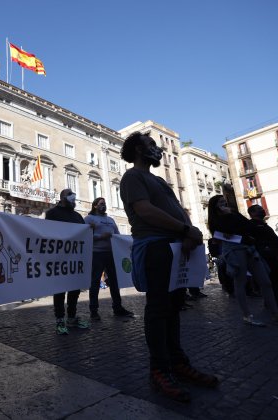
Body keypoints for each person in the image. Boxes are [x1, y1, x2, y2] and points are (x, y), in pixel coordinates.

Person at [120, 132, 218, 403]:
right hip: (155, 247)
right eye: (152, 145)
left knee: (175, 306)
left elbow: (175, 209)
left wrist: (188, 232)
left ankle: (177, 362)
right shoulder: (132, 177)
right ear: (139, 149)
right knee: (159, 307)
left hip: (176, 246)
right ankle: (159, 369)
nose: (158, 150)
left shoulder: (160, 180)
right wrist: (185, 228)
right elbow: (144, 210)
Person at [207, 195, 278, 327]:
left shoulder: (233, 213)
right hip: (235, 250)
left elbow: (248, 226)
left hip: (249, 248)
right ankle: (247, 316)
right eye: (220, 202)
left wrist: (232, 215)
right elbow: (229, 231)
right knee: (240, 282)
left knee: (266, 282)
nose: (224, 203)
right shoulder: (216, 220)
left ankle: (276, 316)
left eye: (225, 201)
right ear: (215, 205)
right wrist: (229, 217)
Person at [46, 188, 90, 335]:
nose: (73, 196)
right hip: (59, 259)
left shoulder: (78, 216)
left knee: (74, 290)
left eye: (74, 194)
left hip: (75, 260)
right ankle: (59, 320)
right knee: (59, 290)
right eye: (70, 194)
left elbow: (84, 234)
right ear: (63, 197)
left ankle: (71, 317)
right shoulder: (52, 213)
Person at [84, 197, 134, 320]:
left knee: (115, 282)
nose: (104, 205)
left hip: (112, 254)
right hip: (96, 254)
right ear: (95, 206)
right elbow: (85, 235)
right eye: (101, 204)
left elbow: (117, 235)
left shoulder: (111, 220)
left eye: (105, 203)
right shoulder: (89, 219)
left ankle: (118, 307)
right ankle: (94, 310)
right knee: (95, 282)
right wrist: (101, 236)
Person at [247, 205, 278, 310]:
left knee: (275, 279)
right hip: (264, 257)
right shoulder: (252, 225)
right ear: (252, 213)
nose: (262, 211)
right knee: (270, 280)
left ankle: (274, 300)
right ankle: (272, 302)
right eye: (259, 209)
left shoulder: (263, 224)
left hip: (272, 256)